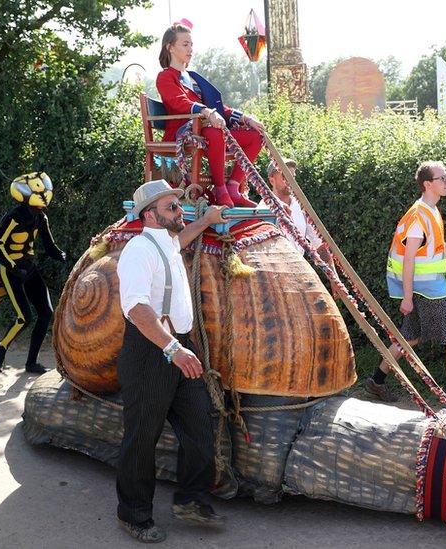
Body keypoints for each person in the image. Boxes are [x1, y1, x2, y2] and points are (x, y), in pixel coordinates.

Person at [115, 179, 228, 543]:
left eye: (178, 207)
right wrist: (173, 350)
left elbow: (180, 240)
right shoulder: (138, 250)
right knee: (141, 437)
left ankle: (191, 500)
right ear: (150, 215)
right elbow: (136, 307)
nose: (180, 211)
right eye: (172, 208)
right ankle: (134, 515)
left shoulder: (165, 241)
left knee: (199, 423)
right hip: (152, 352)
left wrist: (206, 221)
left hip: (177, 346)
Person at [367, 161, 446, 416]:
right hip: (426, 292)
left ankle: (376, 381)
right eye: (442, 178)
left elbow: (439, 247)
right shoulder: (418, 216)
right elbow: (409, 259)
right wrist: (407, 298)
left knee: (409, 337)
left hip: (425, 289)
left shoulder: (431, 211)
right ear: (428, 184)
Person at [156, 21, 264, 208]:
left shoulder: (193, 78)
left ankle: (232, 188)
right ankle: (220, 189)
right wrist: (206, 111)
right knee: (215, 132)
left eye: (191, 44)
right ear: (170, 47)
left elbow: (219, 107)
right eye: (185, 44)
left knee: (255, 136)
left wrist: (246, 118)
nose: (190, 49)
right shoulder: (165, 76)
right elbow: (179, 102)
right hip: (183, 134)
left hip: (205, 130)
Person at [0, 172, 67, 374]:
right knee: (24, 317)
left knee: (46, 313)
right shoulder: (14, 218)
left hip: (29, 269)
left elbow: (49, 246)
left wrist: (64, 256)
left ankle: (31, 363)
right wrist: (13, 267)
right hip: (10, 271)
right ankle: (1, 347)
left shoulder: (41, 217)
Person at [256, 158, 330, 259]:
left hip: (299, 266)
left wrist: (332, 272)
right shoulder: (264, 209)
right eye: (285, 176)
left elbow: (318, 244)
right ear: (272, 180)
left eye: (292, 177)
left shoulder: (300, 205)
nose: (290, 181)